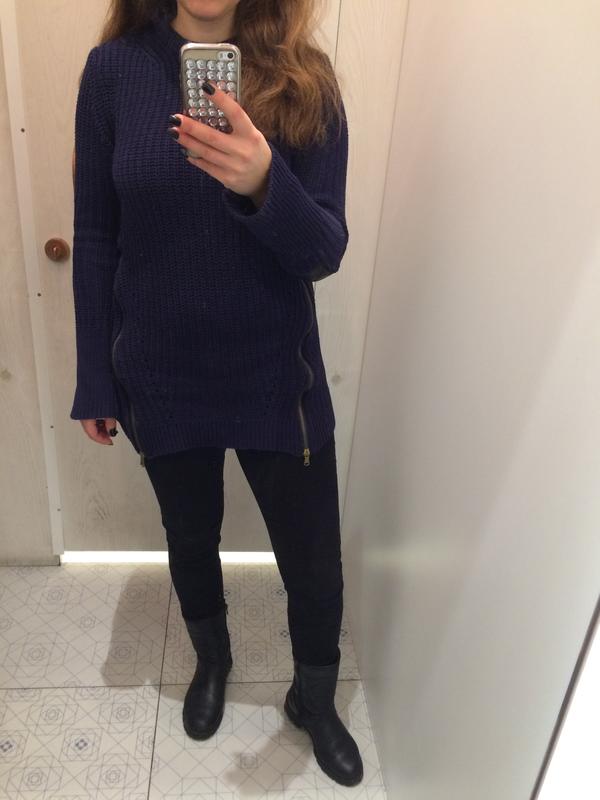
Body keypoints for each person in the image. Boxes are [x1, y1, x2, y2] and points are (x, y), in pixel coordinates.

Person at [70, 0, 361, 786]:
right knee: (190, 535)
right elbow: (95, 235)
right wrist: (95, 374)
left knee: (314, 562)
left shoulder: (306, 78)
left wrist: (265, 182)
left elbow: (323, 251)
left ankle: (314, 699)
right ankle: (214, 660)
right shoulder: (114, 72)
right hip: (160, 371)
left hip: (277, 374)